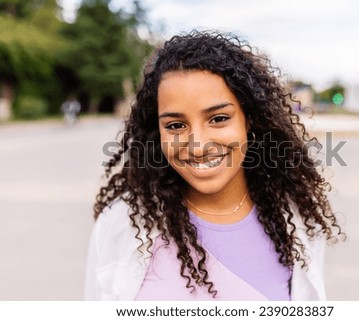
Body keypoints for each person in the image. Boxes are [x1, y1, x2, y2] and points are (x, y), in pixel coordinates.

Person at [85, 31, 344, 301]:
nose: (197, 146)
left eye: (219, 118)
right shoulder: (120, 223)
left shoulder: (295, 222)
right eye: (175, 125)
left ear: (250, 121)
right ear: (157, 132)